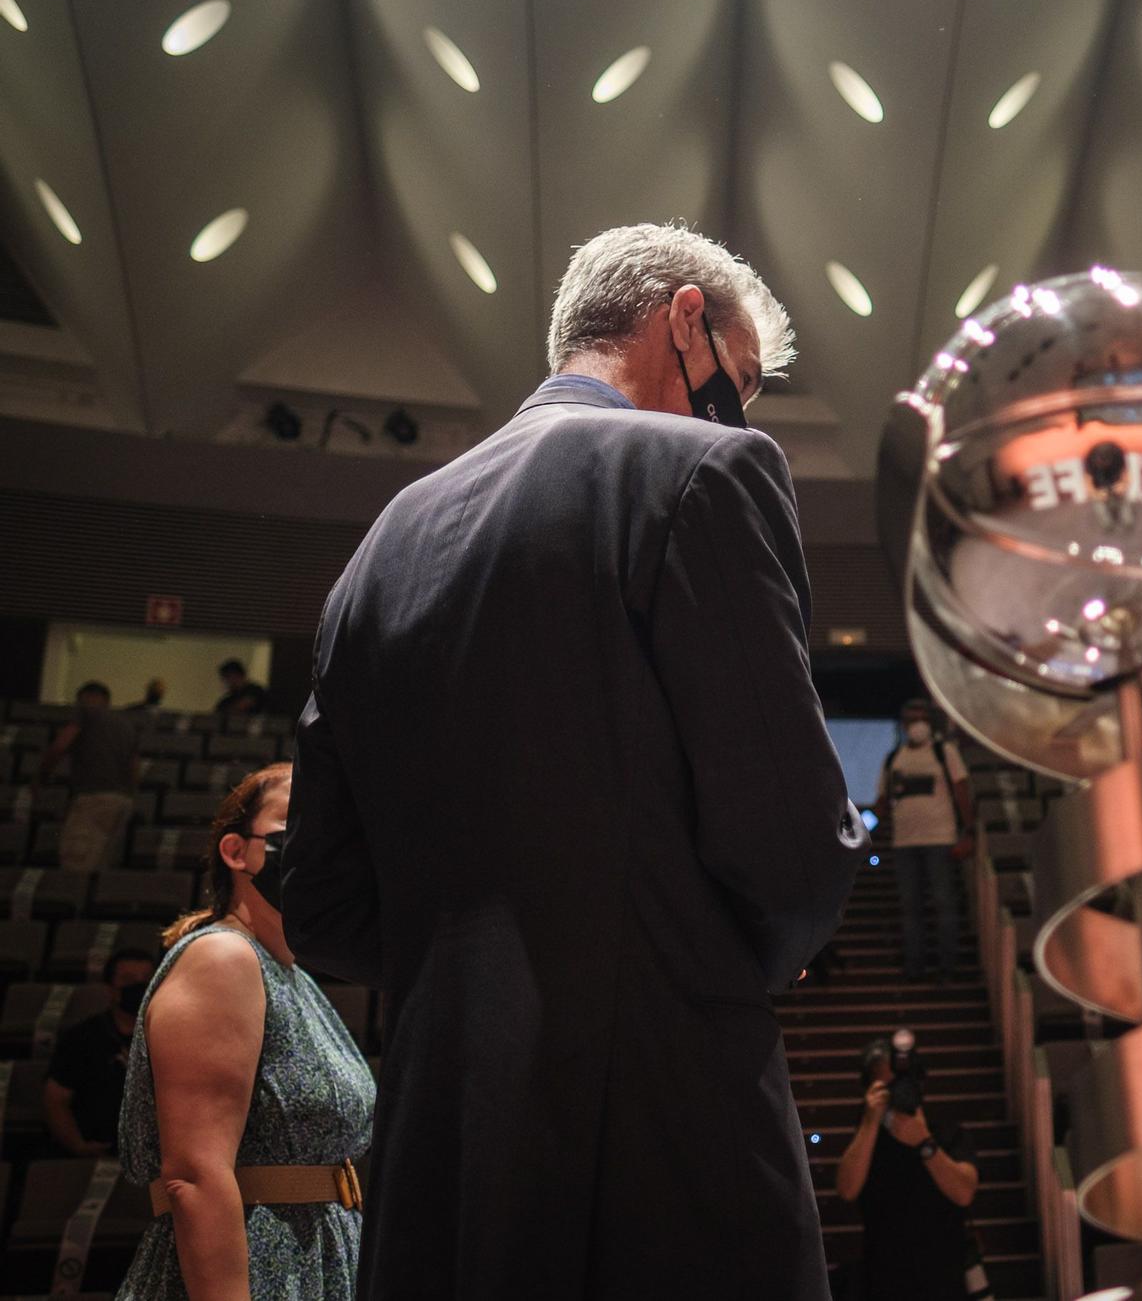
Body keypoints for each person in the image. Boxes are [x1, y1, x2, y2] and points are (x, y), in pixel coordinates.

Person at [284, 222, 868, 1300]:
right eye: (734, 380)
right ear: (681, 320)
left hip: (431, 1145)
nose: (735, 412)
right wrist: (663, 961)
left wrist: (476, 964)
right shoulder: (704, 467)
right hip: (660, 1122)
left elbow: (317, 899)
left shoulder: (381, 544)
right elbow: (792, 842)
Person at [116, 762, 373, 1301]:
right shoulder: (223, 957)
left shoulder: (292, 974)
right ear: (236, 852)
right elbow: (194, 1175)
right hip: (252, 1273)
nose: (322, 841)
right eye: (296, 823)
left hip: (317, 1265)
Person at [836, 1031, 981, 1301]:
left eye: (903, 1084)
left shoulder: (948, 1134)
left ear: (920, 1086)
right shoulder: (868, 1141)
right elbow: (846, 1189)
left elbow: (964, 1192)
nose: (897, 1093)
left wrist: (924, 1142)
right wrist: (869, 1122)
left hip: (944, 1280)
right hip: (883, 1280)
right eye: (886, 1087)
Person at [873, 701, 971, 982]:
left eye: (921, 717)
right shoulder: (894, 759)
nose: (917, 723)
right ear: (903, 725)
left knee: (944, 903)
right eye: (911, 718)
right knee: (910, 907)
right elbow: (883, 801)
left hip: (940, 838)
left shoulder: (944, 752)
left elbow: (962, 790)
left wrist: (968, 831)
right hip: (904, 842)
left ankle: (948, 968)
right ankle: (914, 967)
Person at [43, 948, 157, 1156]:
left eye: (146, 980)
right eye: (129, 980)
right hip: (97, 1151)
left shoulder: (173, 1036)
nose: (139, 987)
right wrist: (77, 1146)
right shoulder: (81, 1038)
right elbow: (56, 1099)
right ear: (111, 989)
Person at [38, 681, 140, 871]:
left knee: (76, 867)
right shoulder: (126, 724)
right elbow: (135, 768)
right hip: (122, 802)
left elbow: (60, 746)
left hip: (93, 800)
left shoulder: (85, 713)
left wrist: (40, 778)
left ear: (85, 698)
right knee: (102, 872)